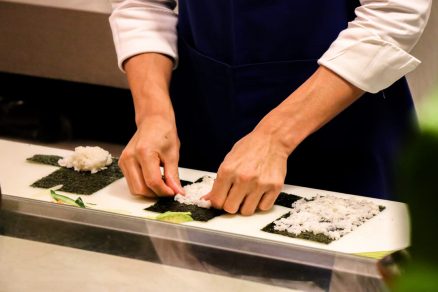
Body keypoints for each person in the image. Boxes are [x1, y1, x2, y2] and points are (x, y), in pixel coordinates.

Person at [109, 0, 431, 215]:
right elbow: (142, 3)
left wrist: (274, 138)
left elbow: (393, 15)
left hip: (344, 129)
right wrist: (153, 115)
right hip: (204, 115)